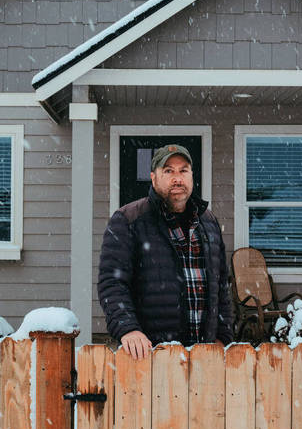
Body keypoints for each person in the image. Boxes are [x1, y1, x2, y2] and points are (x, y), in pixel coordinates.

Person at [98, 144, 234, 359]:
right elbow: (112, 283)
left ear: (191, 176)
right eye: (168, 171)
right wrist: (128, 328)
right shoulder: (128, 220)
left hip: (205, 355)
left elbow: (222, 286)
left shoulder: (208, 222)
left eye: (183, 171)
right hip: (151, 355)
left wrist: (223, 336)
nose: (177, 178)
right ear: (153, 178)